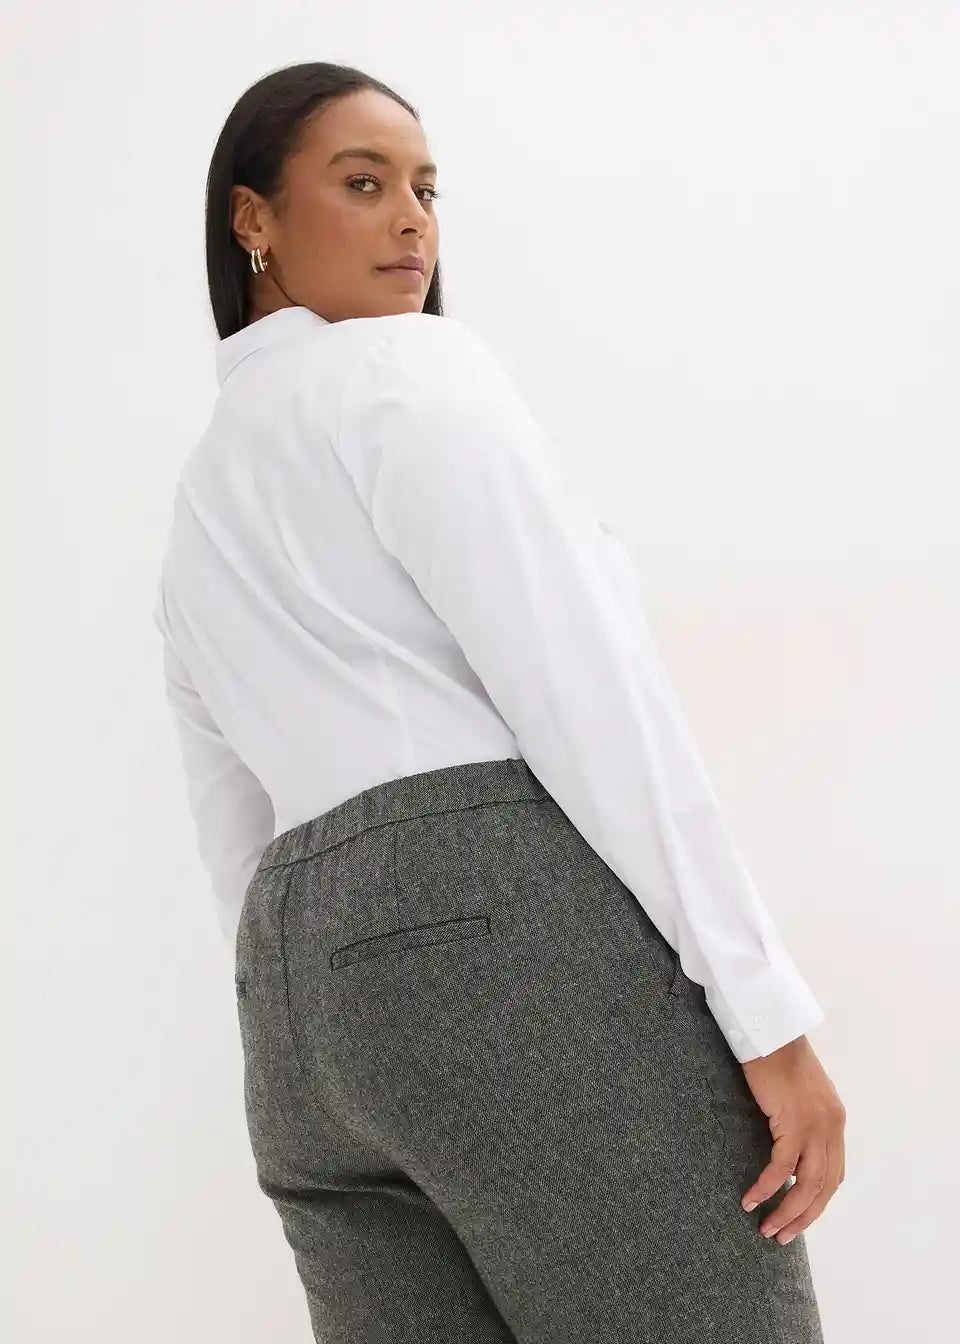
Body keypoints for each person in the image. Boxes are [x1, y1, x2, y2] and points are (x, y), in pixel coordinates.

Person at [153, 60, 845, 1343]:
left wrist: (303, 1025)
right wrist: (767, 1014)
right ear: (253, 219)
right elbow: (591, 696)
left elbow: (230, 830)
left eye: (426, 190)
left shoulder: (198, 507)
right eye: (363, 184)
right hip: (497, 940)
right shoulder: (404, 376)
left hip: (305, 1030)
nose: (412, 221)